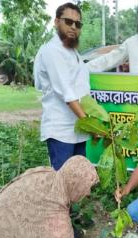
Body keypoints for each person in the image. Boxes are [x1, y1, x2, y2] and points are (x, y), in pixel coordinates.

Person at [0, 156, 99, 238]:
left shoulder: (45, 173)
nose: (88, 193)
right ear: (74, 183)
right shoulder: (57, 218)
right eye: (85, 187)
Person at [34, 3, 90, 170]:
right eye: (68, 22)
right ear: (57, 22)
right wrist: (90, 125)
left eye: (78, 24)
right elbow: (67, 93)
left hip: (77, 130)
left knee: (78, 181)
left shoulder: (72, 52)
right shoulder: (52, 51)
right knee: (62, 184)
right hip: (61, 131)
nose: (73, 27)